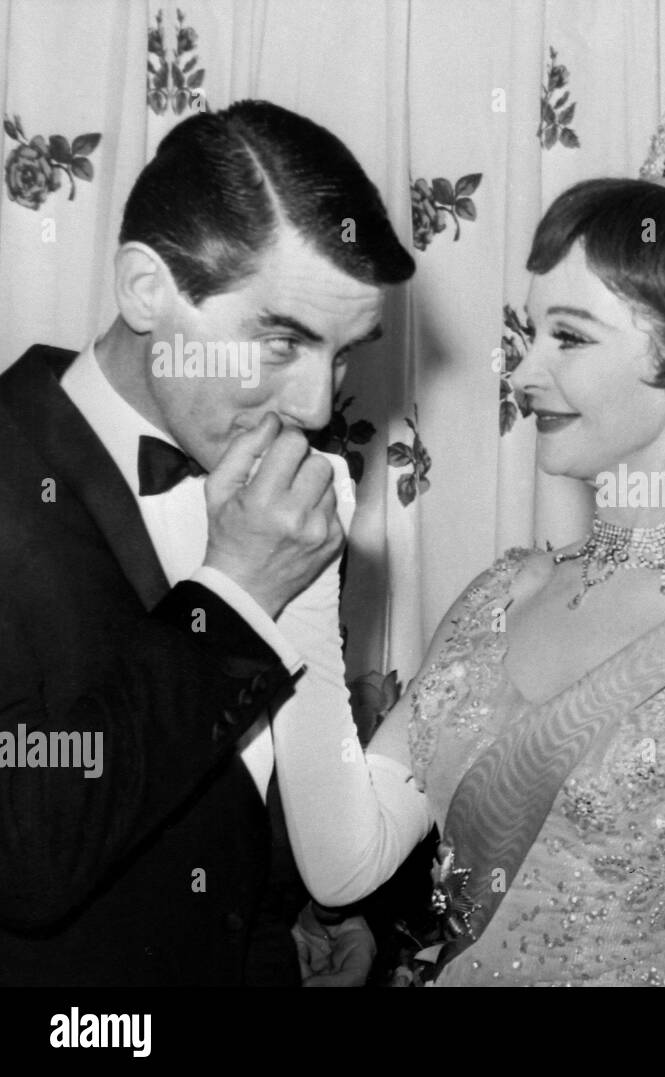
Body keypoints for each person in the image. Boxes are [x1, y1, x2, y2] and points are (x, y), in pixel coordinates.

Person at [275, 90, 665, 986]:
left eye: (569, 338)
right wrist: (303, 590)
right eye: (530, 332)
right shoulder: (504, 595)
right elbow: (343, 860)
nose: (524, 369)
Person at [0, 100, 413, 985]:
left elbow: (236, 783)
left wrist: (310, 904)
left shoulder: (271, 476)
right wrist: (232, 597)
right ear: (148, 289)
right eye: (280, 343)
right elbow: (25, 849)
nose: (314, 406)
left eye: (342, 355)